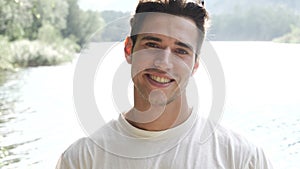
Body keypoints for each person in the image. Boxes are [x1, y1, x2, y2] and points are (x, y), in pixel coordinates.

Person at [56, 0, 273, 168]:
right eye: (153, 44)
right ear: (129, 49)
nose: (163, 62)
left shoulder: (242, 158)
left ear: (195, 64)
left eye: (181, 51)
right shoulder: (81, 160)